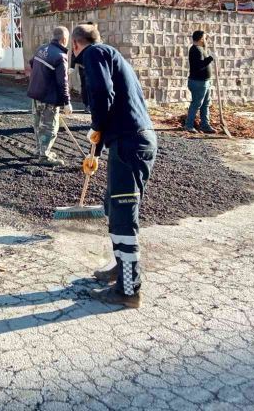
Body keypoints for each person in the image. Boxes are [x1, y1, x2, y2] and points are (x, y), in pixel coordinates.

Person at [71, 23, 157, 309]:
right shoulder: (112, 54)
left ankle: (129, 289)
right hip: (133, 141)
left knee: (123, 214)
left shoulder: (94, 54)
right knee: (113, 205)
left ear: (75, 45)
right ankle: (121, 268)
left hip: (129, 143)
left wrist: (97, 126)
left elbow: (102, 92)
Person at [27, 26, 73, 166]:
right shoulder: (60, 56)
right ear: (64, 39)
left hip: (35, 94)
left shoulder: (42, 49)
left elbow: (32, 63)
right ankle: (45, 156)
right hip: (48, 98)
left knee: (37, 124)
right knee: (50, 127)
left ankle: (39, 150)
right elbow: (62, 82)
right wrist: (66, 102)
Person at [185, 30, 215, 134]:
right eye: (205, 38)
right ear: (201, 39)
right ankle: (188, 125)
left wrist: (209, 56)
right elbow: (199, 66)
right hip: (198, 82)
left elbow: (203, 63)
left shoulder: (201, 49)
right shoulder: (195, 50)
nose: (206, 40)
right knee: (196, 104)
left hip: (205, 82)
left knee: (205, 104)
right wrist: (211, 58)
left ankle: (205, 125)